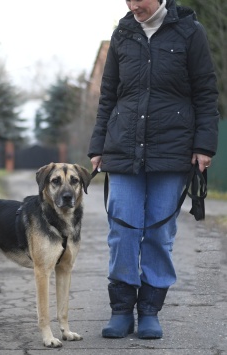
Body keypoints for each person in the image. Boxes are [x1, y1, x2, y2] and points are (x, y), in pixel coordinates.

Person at [88, 0, 219, 340]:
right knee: (123, 230)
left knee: (160, 233)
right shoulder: (122, 34)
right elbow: (108, 97)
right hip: (123, 148)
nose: (132, 5)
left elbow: (206, 93)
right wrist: (97, 146)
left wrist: (204, 145)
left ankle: (149, 311)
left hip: (172, 149)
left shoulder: (191, 32)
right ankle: (121, 310)